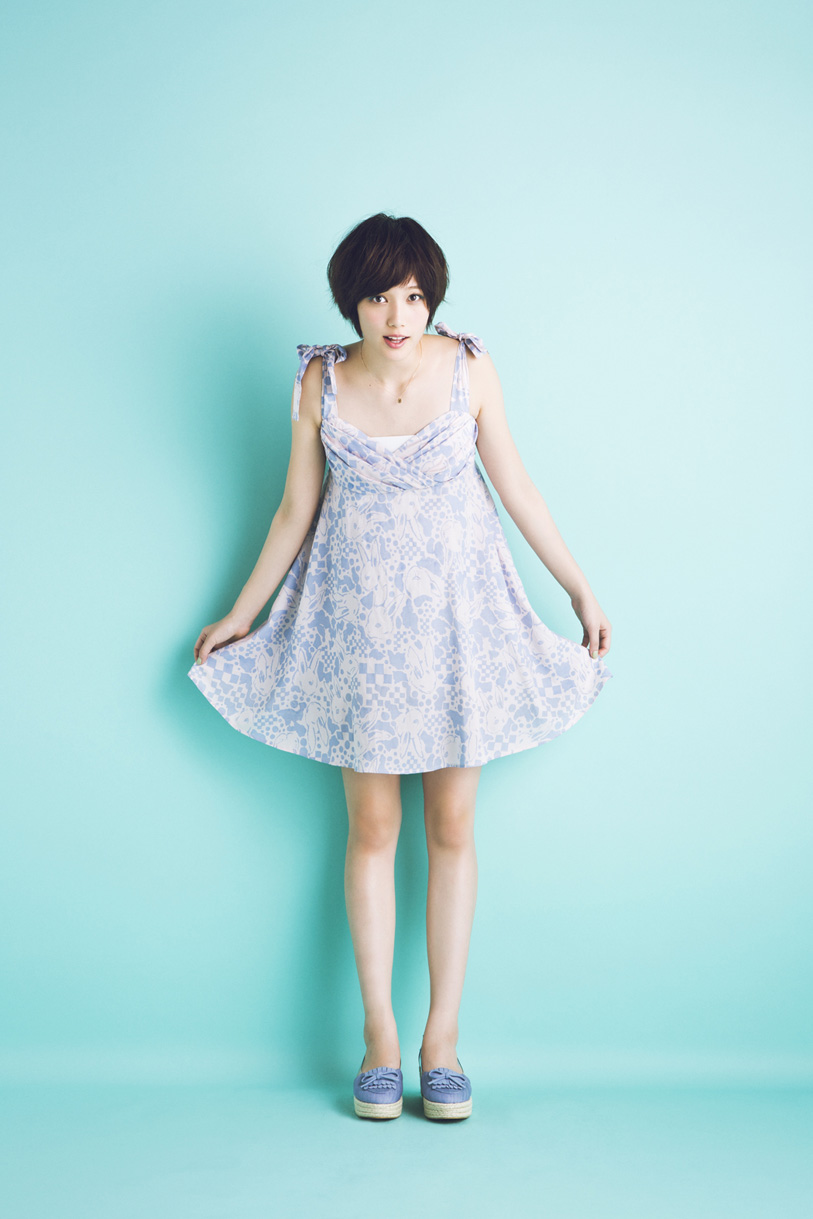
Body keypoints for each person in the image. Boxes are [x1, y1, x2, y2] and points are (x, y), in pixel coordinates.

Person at [187, 212, 613, 1121]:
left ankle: (441, 1043)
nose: (397, 315)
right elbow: (294, 509)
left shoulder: (469, 368)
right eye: (379, 296)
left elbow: (518, 487)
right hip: (360, 631)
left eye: (414, 296)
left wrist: (578, 588)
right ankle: (380, 1040)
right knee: (372, 826)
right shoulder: (319, 379)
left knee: (452, 825)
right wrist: (240, 614)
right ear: (352, 301)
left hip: (460, 625)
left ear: (433, 299)